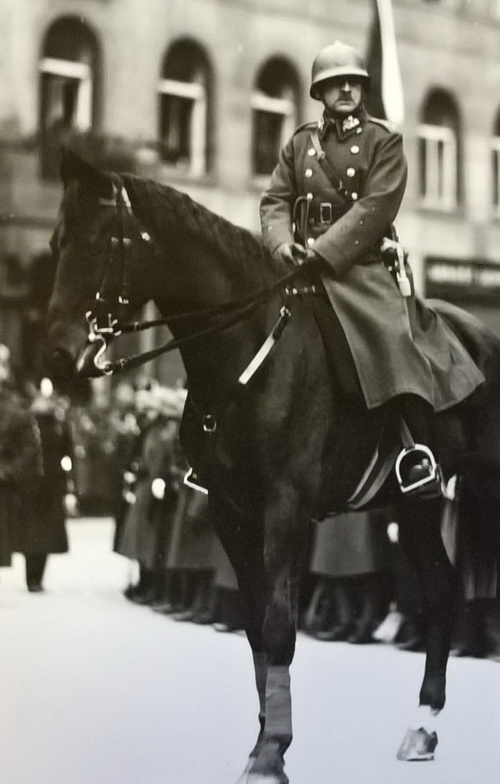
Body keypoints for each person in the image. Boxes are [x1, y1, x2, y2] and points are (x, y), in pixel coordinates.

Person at [260, 40, 484, 495]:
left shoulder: (384, 140)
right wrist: (282, 243)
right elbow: (275, 200)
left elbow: (376, 208)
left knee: (392, 336)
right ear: (319, 92)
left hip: (357, 267)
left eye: (353, 83)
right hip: (299, 265)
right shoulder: (300, 142)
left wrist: (323, 250)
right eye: (334, 83)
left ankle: (414, 451)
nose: (345, 90)